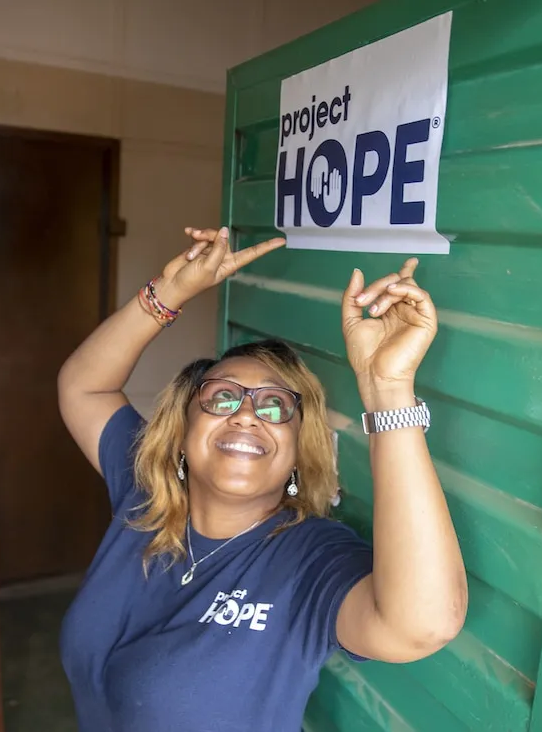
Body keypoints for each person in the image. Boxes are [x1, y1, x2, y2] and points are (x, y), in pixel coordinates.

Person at [56, 226, 467, 731]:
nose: (247, 415)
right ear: (184, 431)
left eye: (276, 407)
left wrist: (388, 389)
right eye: (222, 397)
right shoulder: (145, 495)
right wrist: (170, 293)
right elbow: (84, 388)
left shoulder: (308, 555)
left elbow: (422, 625)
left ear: (298, 453)